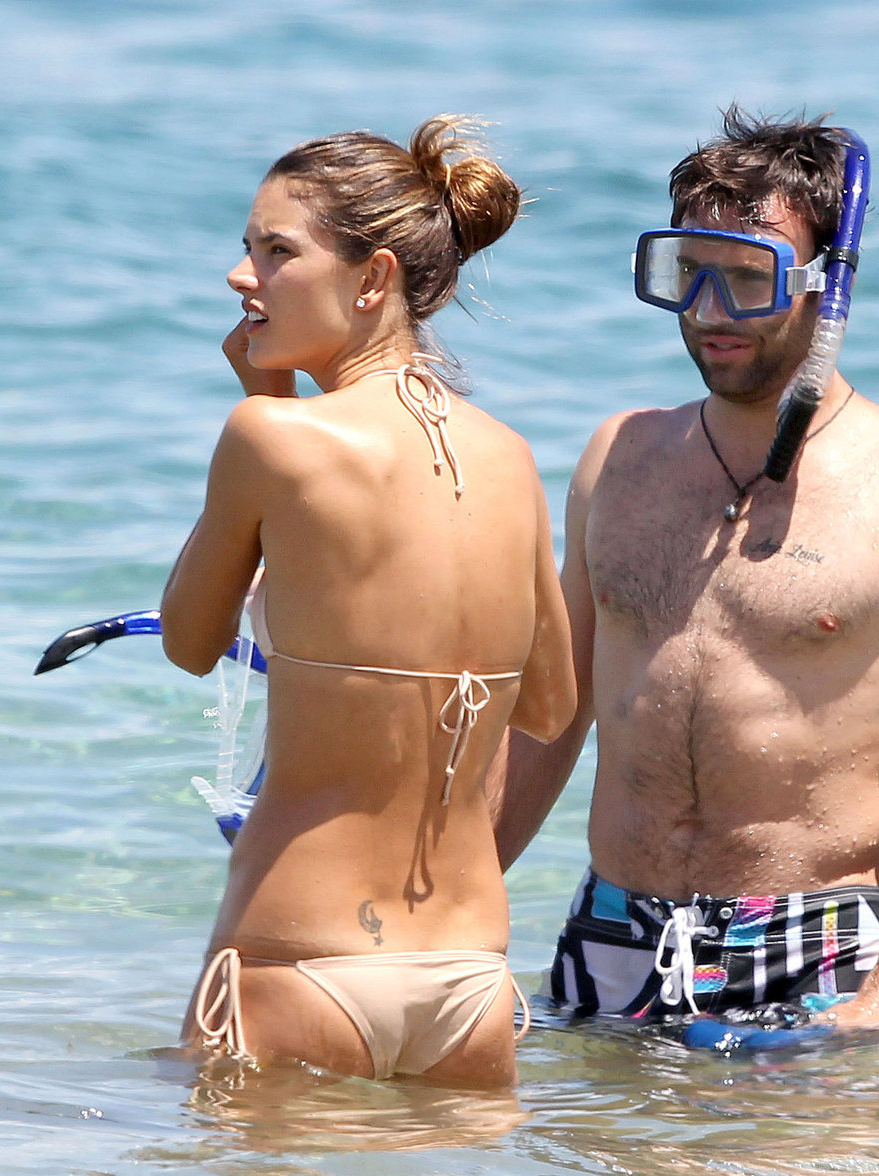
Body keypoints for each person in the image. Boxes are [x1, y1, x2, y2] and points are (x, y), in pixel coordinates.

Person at [488, 108, 879, 1030]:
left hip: (818, 945)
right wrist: (446, 907)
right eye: (687, 274)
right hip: (611, 934)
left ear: (826, 285)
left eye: (747, 278)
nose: (709, 311)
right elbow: (550, 715)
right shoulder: (618, 458)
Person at [160, 115, 576, 1086]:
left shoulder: (272, 440)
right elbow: (551, 706)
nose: (241, 275)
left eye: (277, 251)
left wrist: (269, 400)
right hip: (468, 980)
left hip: (298, 958)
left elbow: (188, 638)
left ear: (373, 278)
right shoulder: (509, 457)